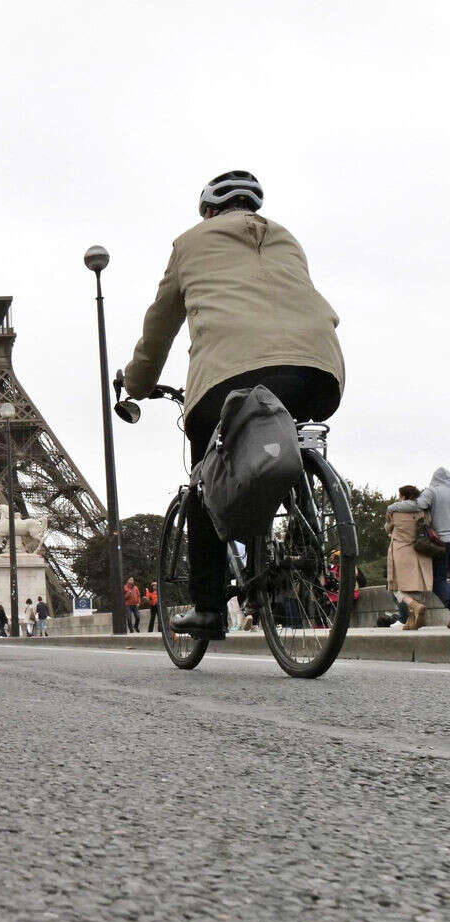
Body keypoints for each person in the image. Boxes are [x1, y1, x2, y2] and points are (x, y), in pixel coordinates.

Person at [122, 171, 344, 640]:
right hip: (317, 367)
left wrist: (138, 383)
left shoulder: (189, 244)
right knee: (286, 418)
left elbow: (159, 328)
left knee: (205, 477)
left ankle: (208, 609)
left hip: (230, 374)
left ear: (207, 212)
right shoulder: (287, 238)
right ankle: (306, 528)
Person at [388, 468, 450, 607]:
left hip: (442, 542)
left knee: (438, 581)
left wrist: (393, 506)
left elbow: (418, 505)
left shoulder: (432, 491)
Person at [386, 486, 436, 630]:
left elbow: (387, 527)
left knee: (396, 588)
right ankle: (411, 621)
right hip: (420, 553)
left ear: (402, 496)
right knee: (416, 588)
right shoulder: (423, 511)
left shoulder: (394, 511)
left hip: (401, 553)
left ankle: (414, 606)